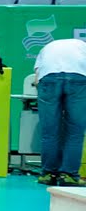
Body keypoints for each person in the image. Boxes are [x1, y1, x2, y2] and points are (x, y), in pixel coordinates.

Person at [35, 35, 86, 186]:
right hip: (79, 79)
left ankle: (48, 174)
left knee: (50, 131)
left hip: (48, 78)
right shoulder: (82, 47)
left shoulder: (47, 47)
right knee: (75, 131)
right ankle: (68, 175)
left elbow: (37, 79)